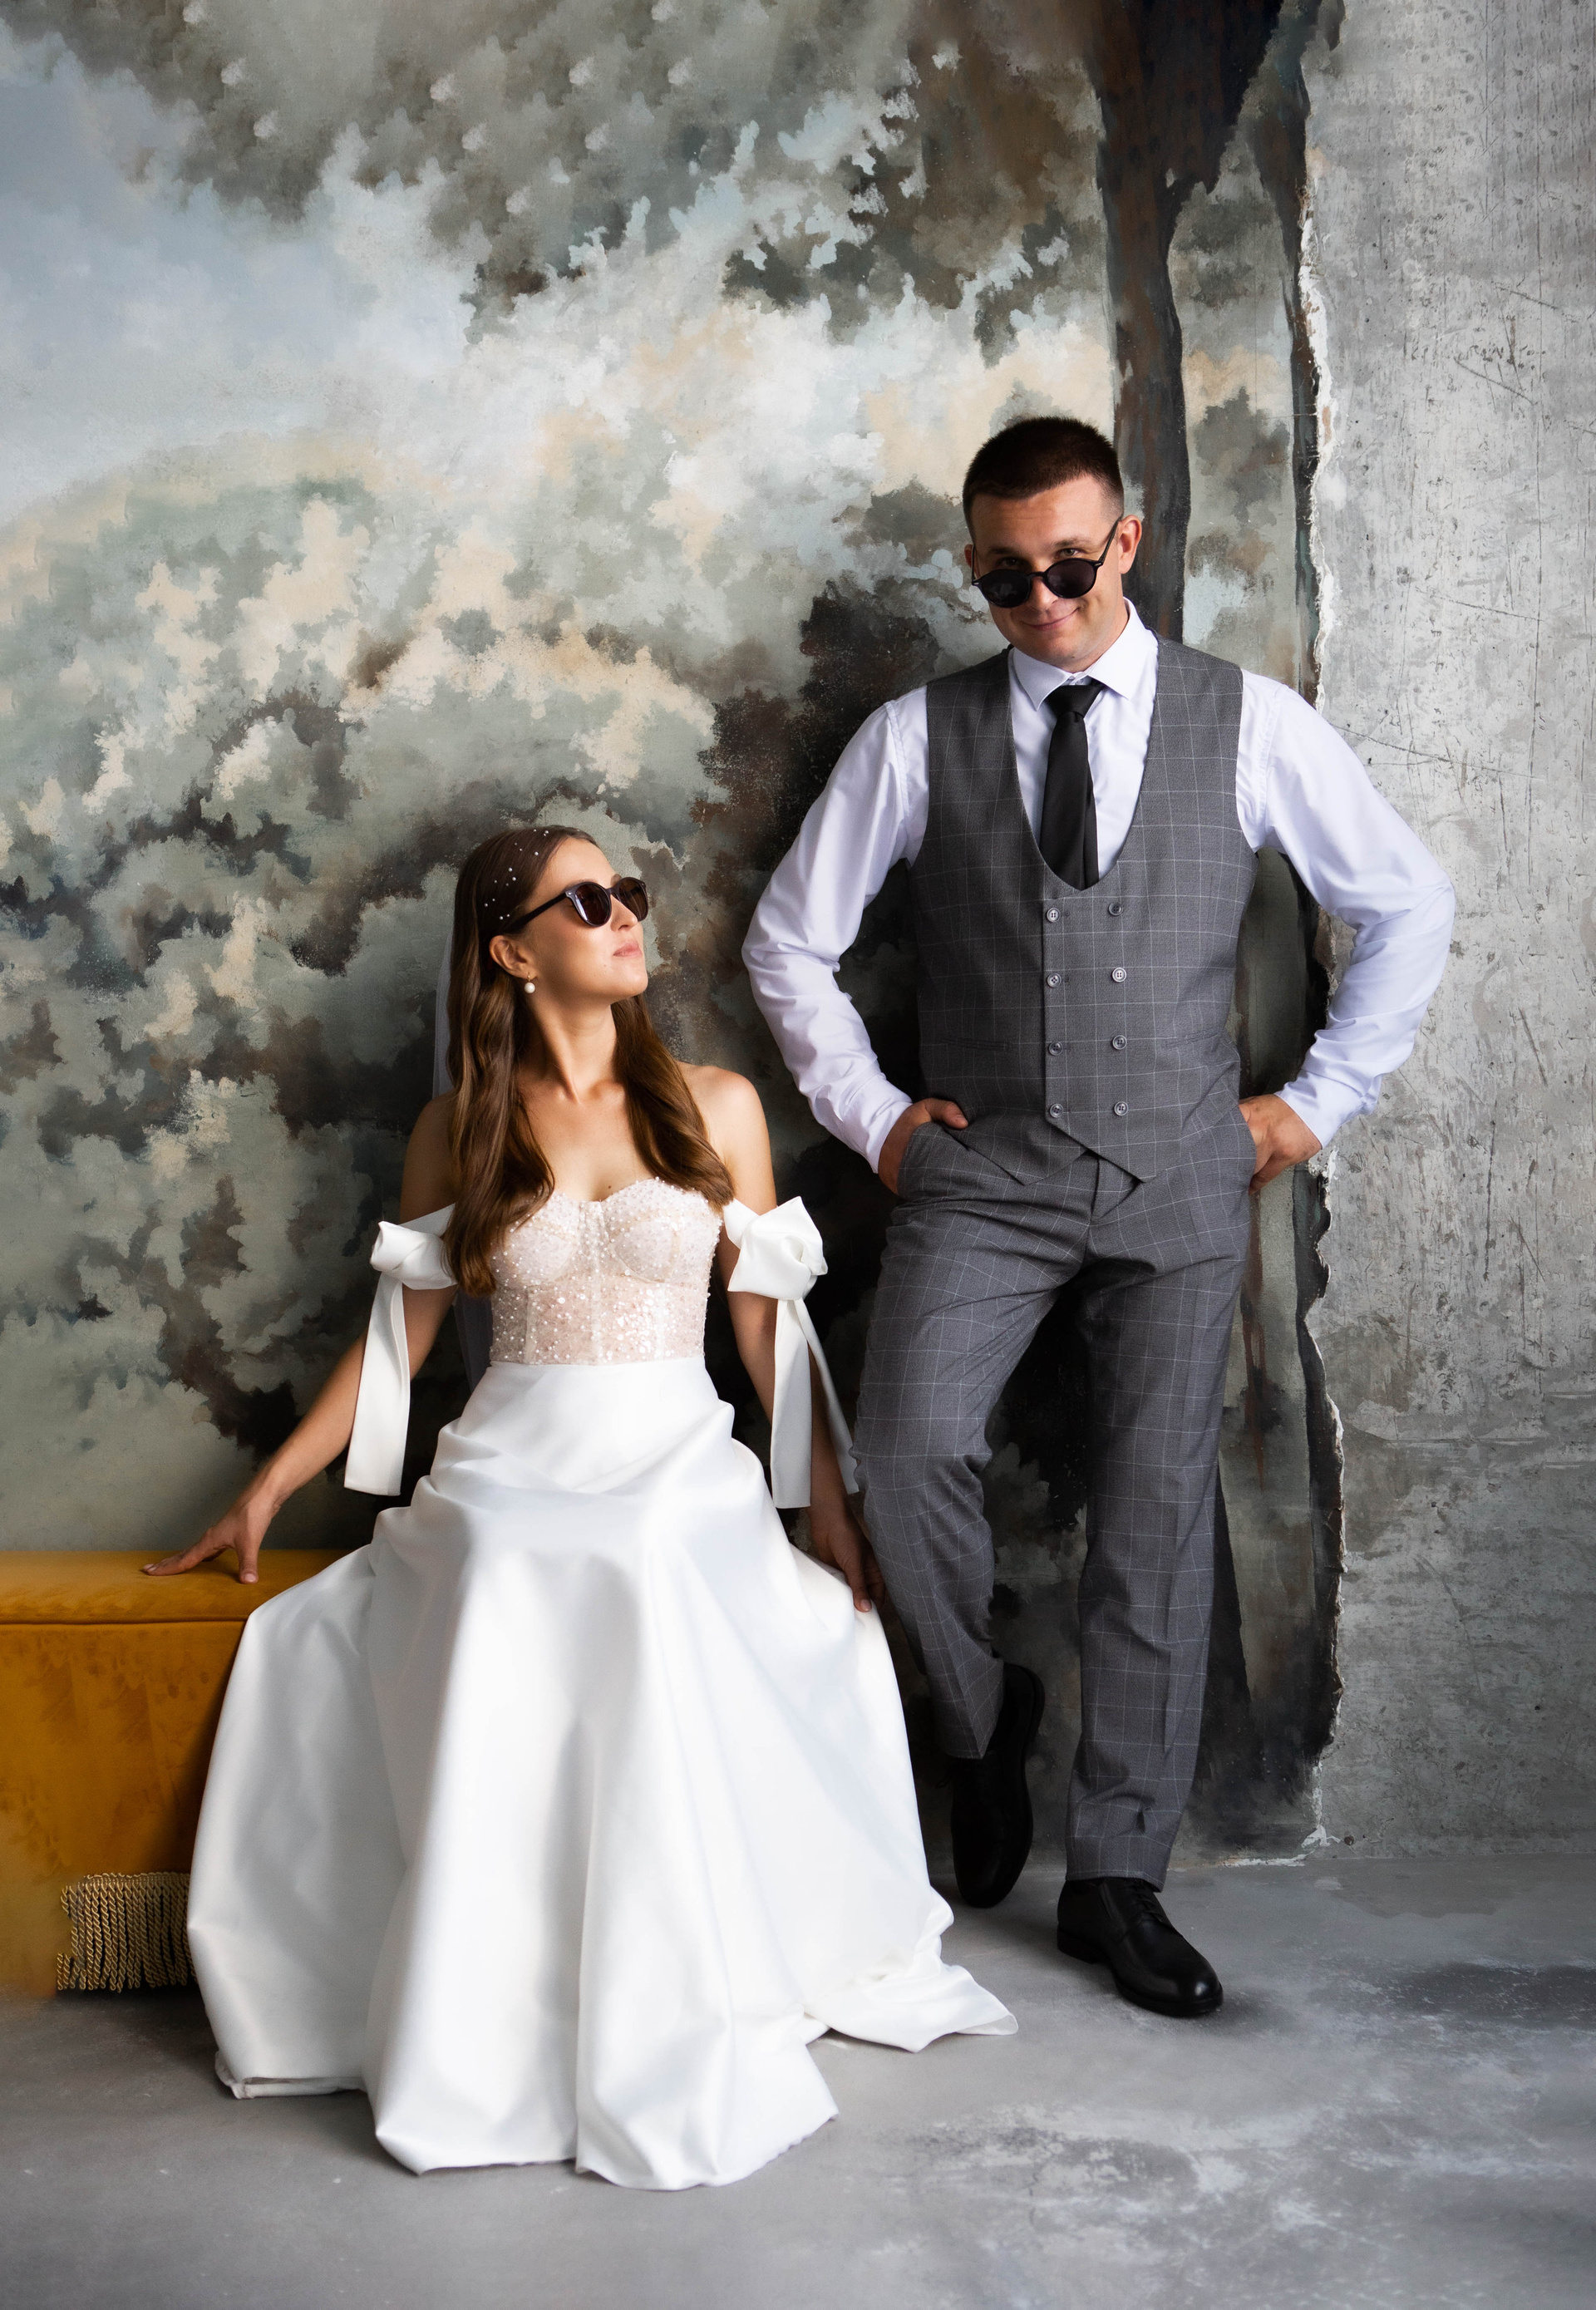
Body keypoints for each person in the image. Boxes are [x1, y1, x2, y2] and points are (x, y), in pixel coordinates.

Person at [145, 823, 1013, 2189]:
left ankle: (660, 1977)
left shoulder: (717, 1104)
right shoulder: (460, 1128)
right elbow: (400, 1342)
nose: (626, 918)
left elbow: (767, 1328)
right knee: (499, 1558)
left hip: (675, 1454)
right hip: (513, 1456)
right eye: (590, 900)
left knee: (648, 1553)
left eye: (629, 895)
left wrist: (829, 1507)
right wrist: (264, 1488)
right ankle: (498, 1986)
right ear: (511, 950)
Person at [742, 415, 1454, 2020]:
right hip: (983, 1176)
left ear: (1125, 542)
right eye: (1006, 580)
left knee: (1154, 1516)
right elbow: (789, 944)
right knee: (908, 1448)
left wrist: (1317, 1102)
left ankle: (1119, 1876)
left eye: (1071, 567)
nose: (1044, 603)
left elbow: (1406, 901)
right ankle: (982, 1720)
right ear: (975, 572)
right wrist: (875, 1120)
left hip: (1182, 1175)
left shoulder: (1247, 722)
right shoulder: (917, 739)